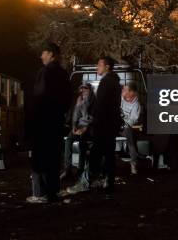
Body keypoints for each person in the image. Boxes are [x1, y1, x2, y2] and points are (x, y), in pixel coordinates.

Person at [68, 56, 123, 194]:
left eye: (99, 65)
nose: (96, 67)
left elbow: (101, 107)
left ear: (107, 67)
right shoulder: (115, 82)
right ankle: (108, 182)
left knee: (95, 155)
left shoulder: (106, 82)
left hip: (104, 125)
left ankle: (85, 183)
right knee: (109, 155)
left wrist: (90, 126)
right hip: (111, 124)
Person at [26, 42, 70, 204]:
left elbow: (39, 98)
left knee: (39, 158)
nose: (41, 56)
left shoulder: (45, 73)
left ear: (51, 54)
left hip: (43, 122)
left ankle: (39, 194)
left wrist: (33, 120)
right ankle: (53, 192)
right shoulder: (63, 74)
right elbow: (67, 100)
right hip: (56, 122)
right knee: (53, 158)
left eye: (43, 53)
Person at [62, 83, 95, 179]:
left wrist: (85, 128)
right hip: (79, 126)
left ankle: (80, 170)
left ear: (90, 90)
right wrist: (74, 126)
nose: (83, 90)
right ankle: (67, 169)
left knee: (82, 142)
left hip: (89, 127)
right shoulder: (79, 100)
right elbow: (75, 115)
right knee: (68, 140)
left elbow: (94, 118)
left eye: (85, 88)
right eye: (82, 89)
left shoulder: (94, 101)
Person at [120, 81, 141, 175]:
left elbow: (132, 121)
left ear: (131, 92)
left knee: (130, 137)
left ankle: (133, 163)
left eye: (125, 89)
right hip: (117, 125)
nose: (122, 91)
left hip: (126, 127)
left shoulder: (136, 105)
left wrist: (122, 121)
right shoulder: (120, 99)